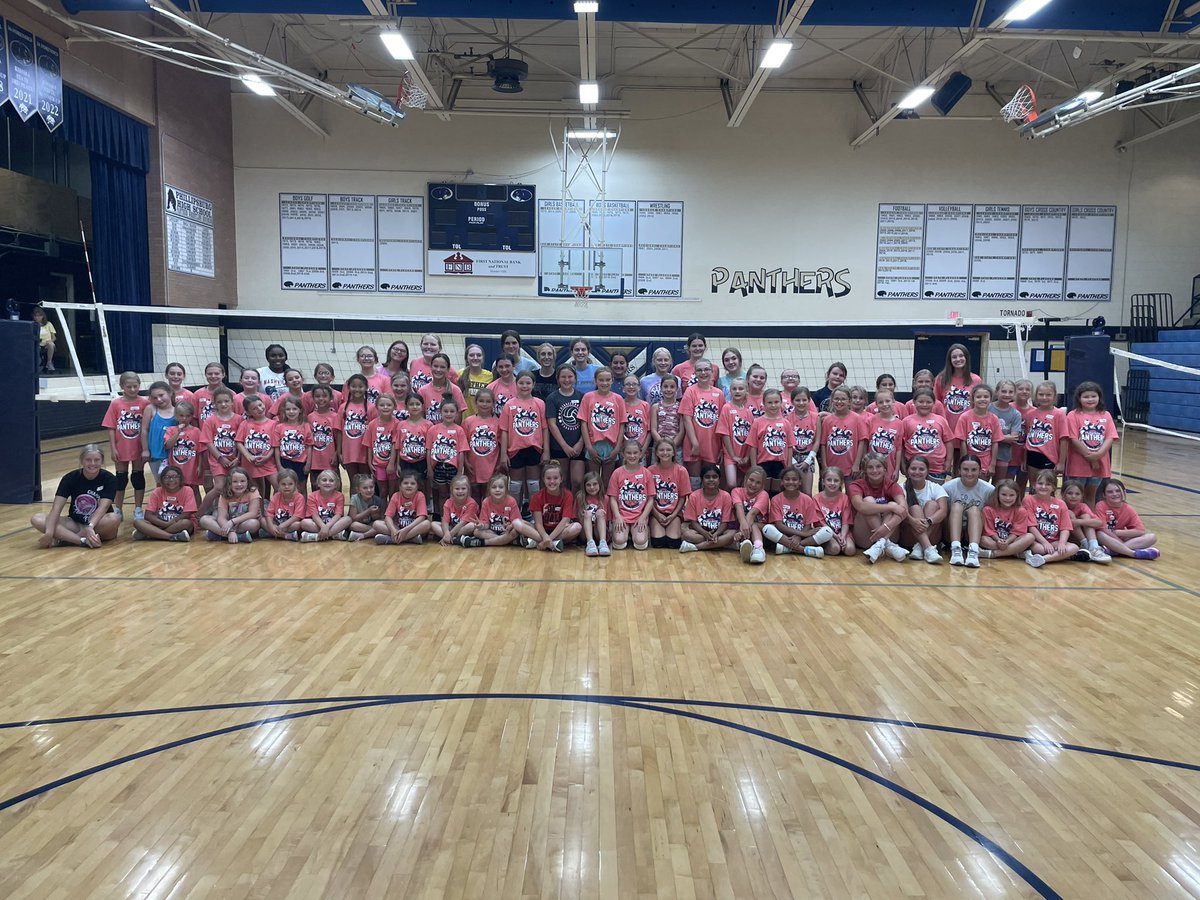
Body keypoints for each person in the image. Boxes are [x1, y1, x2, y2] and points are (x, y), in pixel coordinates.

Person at [31, 445, 120, 548]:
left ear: (102, 461)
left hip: (99, 525)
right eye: (88, 460)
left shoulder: (110, 479)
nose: (92, 463)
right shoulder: (70, 478)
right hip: (75, 524)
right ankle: (81, 541)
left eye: (97, 460)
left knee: (114, 518)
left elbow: (103, 508)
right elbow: (56, 508)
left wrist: (90, 526)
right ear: (82, 461)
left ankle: (67, 539)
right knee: (37, 519)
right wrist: (49, 533)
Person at [1064, 380, 1119, 507]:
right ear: (1079, 398)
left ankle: (1089, 524)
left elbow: (1110, 437)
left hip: (1099, 466)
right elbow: (1073, 439)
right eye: (1086, 397)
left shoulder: (1106, 415)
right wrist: (1092, 458)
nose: (1090, 399)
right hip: (1078, 465)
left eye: (1093, 396)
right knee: (1074, 497)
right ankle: (1072, 524)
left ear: (1099, 397)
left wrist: (1098, 455)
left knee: (1090, 497)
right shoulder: (1073, 415)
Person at [499, 371, 548, 513]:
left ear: (533, 385)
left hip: (535, 448)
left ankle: (534, 514)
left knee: (533, 484)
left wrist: (546, 451)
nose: (524, 386)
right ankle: (514, 514)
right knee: (515, 485)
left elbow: (545, 428)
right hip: (515, 449)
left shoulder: (539, 404)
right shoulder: (509, 405)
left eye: (528, 383)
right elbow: (504, 430)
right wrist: (503, 454)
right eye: (521, 383)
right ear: (516, 384)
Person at [102, 371, 148, 520]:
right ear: (122, 386)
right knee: (121, 479)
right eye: (129, 386)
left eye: (136, 386)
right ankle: (118, 509)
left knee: (138, 477)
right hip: (122, 447)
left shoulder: (144, 403)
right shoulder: (116, 403)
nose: (133, 389)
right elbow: (111, 427)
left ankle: (138, 509)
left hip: (139, 446)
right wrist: (113, 448)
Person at [849, 452, 909, 564]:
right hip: (866, 537)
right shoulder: (856, 485)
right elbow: (861, 507)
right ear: (864, 470)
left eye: (878, 466)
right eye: (870, 467)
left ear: (885, 469)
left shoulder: (892, 485)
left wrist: (886, 527)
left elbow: (903, 509)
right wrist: (889, 508)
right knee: (869, 501)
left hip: (889, 533)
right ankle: (885, 543)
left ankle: (881, 543)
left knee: (895, 505)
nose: (874, 470)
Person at [763, 466, 831, 557]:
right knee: (767, 528)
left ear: (800, 482)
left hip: (800, 537)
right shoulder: (776, 499)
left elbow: (808, 525)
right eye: (787, 479)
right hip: (784, 535)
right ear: (782, 482)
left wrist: (799, 537)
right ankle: (803, 550)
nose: (791, 482)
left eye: (794, 479)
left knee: (827, 531)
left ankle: (786, 547)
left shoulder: (807, 500)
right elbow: (779, 525)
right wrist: (801, 534)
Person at [944, 454, 995, 568]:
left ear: (980, 471)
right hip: (951, 533)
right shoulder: (948, 487)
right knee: (957, 506)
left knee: (974, 510)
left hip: (975, 532)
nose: (969, 473)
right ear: (959, 470)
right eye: (965, 469)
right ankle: (956, 549)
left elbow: (992, 514)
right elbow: (944, 513)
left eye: (974, 470)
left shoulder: (989, 489)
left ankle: (973, 551)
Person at [679, 359, 725, 485]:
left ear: (712, 372)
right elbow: (687, 418)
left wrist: (721, 448)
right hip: (694, 443)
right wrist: (695, 443)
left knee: (709, 479)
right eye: (699, 370)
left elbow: (722, 423)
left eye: (706, 369)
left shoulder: (719, 394)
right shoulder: (690, 391)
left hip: (712, 444)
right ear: (695, 373)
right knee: (694, 481)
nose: (703, 372)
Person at [579, 366, 627, 486]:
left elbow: (622, 424)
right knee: (593, 480)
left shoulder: (618, 399)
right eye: (601, 380)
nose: (604, 383)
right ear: (595, 381)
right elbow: (583, 423)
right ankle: (593, 504)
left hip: (611, 445)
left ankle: (605, 504)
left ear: (612, 380)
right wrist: (589, 447)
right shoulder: (588, 397)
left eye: (607, 380)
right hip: (593, 444)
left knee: (607, 481)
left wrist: (617, 448)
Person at [1023, 470, 1083, 564]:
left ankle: (1042, 559)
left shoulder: (1061, 503)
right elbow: (1031, 527)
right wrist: (1045, 543)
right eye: (1040, 483)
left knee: (1074, 548)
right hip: (1037, 541)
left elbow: (1065, 528)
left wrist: (1062, 543)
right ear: (1034, 485)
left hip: (1054, 541)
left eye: (1048, 484)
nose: (1043, 487)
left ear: (1054, 487)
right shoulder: (1028, 500)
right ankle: (1055, 556)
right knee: (1040, 549)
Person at [1094, 478, 1160, 560]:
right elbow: (1103, 529)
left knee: (1152, 537)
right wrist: (1119, 541)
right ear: (1104, 495)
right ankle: (1133, 553)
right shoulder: (1101, 505)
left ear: (1124, 492)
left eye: (1118, 491)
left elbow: (1140, 530)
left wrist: (1118, 532)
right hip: (1107, 539)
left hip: (1118, 538)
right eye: (1110, 492)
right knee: (1100, 534)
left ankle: (1115, 550)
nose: (1114, 494)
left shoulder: (1128, 509)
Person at [981, 479, 1042, 567]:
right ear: (997, 494)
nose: (1008, 498)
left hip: (1012, 541)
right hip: (995, 540)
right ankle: (1014, 552)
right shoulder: (988, 509)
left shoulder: (1021, 511)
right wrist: (998, 540)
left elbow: (1017, 532)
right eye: (1004, 494)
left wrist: (1007, 541)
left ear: (1017, 496)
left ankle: (994, 554)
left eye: (1011, 495)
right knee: (982, 539)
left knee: (1030, 537)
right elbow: (989, 530)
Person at [607, 439, 655, 551]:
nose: (632, 456)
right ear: (623, 454)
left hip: (639, 516)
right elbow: (612, 499)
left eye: (635, 453)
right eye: (629, 453)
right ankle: (625, 532)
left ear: (640, 453)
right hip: (621, 516)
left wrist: (643, 517)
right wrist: (618, 516)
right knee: (619, 543)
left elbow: (650, 499)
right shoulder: (617, 473)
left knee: (640, 543)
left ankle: (636, 532)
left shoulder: (646, 473)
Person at [199, 387, 241, 515]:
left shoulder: (239, 419)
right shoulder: (210, 420)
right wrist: (220, 458)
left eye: (226, 401)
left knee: (235, 486)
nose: (223, 404)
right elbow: (208, 442)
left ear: (232, 402)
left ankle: (228, 511)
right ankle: (199, 513)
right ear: (214, 403)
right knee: (219, 487)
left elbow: (242, 442)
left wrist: (238, 458)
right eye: (219, 402)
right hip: (217, 460)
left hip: (235, 460)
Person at [899, 455, 947, 564]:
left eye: (921, 469)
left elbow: (943, 511)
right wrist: (912, 521)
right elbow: (900, 511)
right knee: (915, 508)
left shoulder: (935, 487)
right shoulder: (901, 488)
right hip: (908, 536)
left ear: (927, 471)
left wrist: (928, 522)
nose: (917, 472)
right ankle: (928, 548)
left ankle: (921, 546)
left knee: (933, 505)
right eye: (913, 468)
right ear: (907, 470)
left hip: (932, 535)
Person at [130, 463, 196, 542]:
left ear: (181, 478)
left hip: (177, 524)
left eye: (175, 477)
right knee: (137, 522)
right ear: (162, 480)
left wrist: (169, 523)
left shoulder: (187, 490)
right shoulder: (157, 491)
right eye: (167, 477)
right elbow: (148, 515)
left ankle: (151, 534)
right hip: (159, 524)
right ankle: (171, 536)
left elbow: (186, 514)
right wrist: (164, 524)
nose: (171, 480)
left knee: (186, 523)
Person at [470, 473, 539, 548]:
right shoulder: (486, 502)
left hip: (507, 532)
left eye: (501, 487)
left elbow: (517, 522)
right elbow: (486, 524)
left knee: (515, 532)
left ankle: (486, 542)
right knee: (477, 532)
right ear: (489, 489)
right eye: (494, 487)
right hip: (492, 532)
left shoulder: (511, 501)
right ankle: (507, 541)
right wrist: (481, 526)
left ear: (506, 489)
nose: (497, 490)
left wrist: (509, 526)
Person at [426, 396, 468, 519]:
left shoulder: (459, 430)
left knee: (453, 494)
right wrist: (429, 468)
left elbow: (461, 452)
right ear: (440, 412)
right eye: (446, 411)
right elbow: (429, 450)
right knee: (442, 494)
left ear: (456, 413)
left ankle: (454, 518)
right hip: (438, 467)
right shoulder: (433, 429)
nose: (448, 414)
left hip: (453, 468)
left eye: (452, 411)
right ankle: (442, 518)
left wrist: (460, 471)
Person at [679, 463, 735, 553]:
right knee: (687, 535)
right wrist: (705, 534)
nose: (711, 480)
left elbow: (725, 523)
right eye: (707, 477)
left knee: (732, 534)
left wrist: (716, 534)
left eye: (714, 477)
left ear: (719, 480)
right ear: (702, 479)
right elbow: (693, 522)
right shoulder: (694, 496)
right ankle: (720, 544)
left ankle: (695, 547)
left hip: (719, 532)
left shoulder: (726, 496)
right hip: (701, 533)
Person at [901, 387, 953, 483]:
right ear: (914, 402)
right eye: (921, 402)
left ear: (934, 403)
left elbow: (948, 442)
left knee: (935, 495)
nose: (924, 405)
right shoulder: (906, 421)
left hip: (937, 467)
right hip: (914, 467)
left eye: (928, 402)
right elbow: (901, 445)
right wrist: (903, 464)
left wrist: (948, 461)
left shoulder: (940, 420)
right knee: (915, 494)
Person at [748, 388, 795, 494]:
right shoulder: (757, 422)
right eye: (769, 402)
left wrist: (788, 466)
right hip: (763, 463)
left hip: (780, 464)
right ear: (763, 403)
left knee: (776, 493)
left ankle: (774, 511)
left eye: (776, 402)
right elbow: (753, 446)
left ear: (781, 403)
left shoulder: (786, 423)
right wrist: (754, 466)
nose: (773, 405)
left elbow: (790, 446)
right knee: (762, 493)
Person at [198, 466, 261, 544]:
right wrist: (230, 531)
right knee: (204, 520)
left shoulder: (253, 491)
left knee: (254, 524)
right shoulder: (224, 494)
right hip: (226, 524)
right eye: (235, 481)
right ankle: (236, 536)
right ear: (229, 483)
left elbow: (253, 513)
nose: (239, 484)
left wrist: (232, 522)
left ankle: (219, 535)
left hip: (241, 523)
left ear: (247, 481)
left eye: (242, 481)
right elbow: (221, 517)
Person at [529, 460, 582, 551]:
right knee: (517, 523)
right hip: (542, 531)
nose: (552, 481)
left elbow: (565, 521)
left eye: (555, 478)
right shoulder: (537, 496)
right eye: (548, 478)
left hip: (559, 530)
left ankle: (541, 542)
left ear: (561, 479)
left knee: (577, 527)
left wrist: (548, 538)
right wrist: (545, 537)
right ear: (543, 479)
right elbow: (538, 523)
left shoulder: (568, 495)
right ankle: (554, 543)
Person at [953, 384, 1003, 480]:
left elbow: (995, 442)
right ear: (972, 399)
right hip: (970, 460)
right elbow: (962, 442)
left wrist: (992, 464)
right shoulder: (965, 417)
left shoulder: (994, 418)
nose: (982, 399)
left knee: (981, 491)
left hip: (986, 462)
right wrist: (965, 461)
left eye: (986, 397)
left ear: (991, 399)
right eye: (978, 397)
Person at [648, 439, 690, 550]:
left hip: (674, 513)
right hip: (656, 512)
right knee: (658, 542)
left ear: (674, 452)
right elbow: (648, 497)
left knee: (673, 543)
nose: (665, 453)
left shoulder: (681, 471)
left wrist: (674, 515)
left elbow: (682, 497)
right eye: (661, 450)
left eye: (668, 450)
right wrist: (656, 514)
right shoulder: (650, 471)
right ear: (656, 452)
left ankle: (676, 526)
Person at [1023, 381, 1067, 483]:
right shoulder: (1030, 414)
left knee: (1048, 487)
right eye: (1041, 394)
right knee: (1034, 487)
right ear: (1036, 396)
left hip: (1049, 457)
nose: (1044, 397)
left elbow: (1064, 439)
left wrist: (1061, 462)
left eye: (1048, 395)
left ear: (1054, 396)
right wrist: (1024, 459)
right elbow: (1027, 438)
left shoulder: (1059, 414)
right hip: (1032, 455)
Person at [462, 388, 500, 505]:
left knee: (489, 496)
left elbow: (501, 445)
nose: (484, 404)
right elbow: (463, 445)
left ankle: (487, 518)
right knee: (474, 495)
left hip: (491, 465)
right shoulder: (468, 421)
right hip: (473, 466)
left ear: (493, 404)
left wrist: (499, 463)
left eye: (488, 401)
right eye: (481, 401)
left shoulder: (498, 421)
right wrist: (465, 462)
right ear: (476, 402)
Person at [236, 395, 279, 498]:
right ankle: (260, 512)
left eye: (260, 405)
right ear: (248, 412)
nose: (259, 409)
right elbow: (238, 442)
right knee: (256, 490)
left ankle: (275, 509)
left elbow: (275, 445)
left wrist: (267, 457)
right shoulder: (245, 424)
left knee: (278, 486)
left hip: (268, 462)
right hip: (250, 463)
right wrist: (248, 456)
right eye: (254, 408)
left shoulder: (274, 424)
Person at [1060, 480, 1112, 563]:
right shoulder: (1060, 505)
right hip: (1066, 539)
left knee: (1086, 516)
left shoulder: (1082, 506)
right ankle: (1086, 545)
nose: (1073, 496)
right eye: (1070, 493)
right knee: (1069, 513)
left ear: (1082, 496)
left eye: (1077, 494)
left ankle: (1093, 546)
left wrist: (1077, 522)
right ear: (1063, 494)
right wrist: (1073, 521)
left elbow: (1099, 522)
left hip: (1083, 537)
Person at [934, 343, 982, 431]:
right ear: (950, 360)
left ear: (966, 358)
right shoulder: (941, 379)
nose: (958, 359)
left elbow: (978, 406)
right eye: (954, 357)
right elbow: (936, 404)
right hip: (947, 427)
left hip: (967, 427)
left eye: (961, 356)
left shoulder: (976, 380)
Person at [162, 400, 202, 505]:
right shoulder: (171, 430)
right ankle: (179, 510)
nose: (184, 418)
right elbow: (168, 445)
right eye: (181, 415)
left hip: (192, 467)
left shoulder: (196, 431)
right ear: (176, 416)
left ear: (192, 416)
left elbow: (200, 451)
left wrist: (200, 466)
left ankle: (198, 512)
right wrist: (177, 433)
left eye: (187, 416)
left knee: (194, 489)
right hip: (176, 467)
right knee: (177, 490)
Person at [820, 387, 865, 480]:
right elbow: (823, 444)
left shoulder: (857, 419)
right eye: (836, 399)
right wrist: (824, 464)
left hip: (851, 467)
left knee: (852, 493)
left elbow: (862, 442)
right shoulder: (827, 420)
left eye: (843, 399)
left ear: (849, 401)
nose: (839, 402)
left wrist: (857, 464)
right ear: (832, 400)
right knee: (833, 493)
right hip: (832, 467)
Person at [717, 378, 753, 490]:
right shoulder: (727, 408)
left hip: (745, 455)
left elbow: (751, 438)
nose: (737, 391)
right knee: (732, 483)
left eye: (740, 389)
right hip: (730, 455)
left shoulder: (748, 411)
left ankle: (739, 506)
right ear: (730, 391)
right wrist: (733, 456)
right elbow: (725, 434)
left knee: (743, 485)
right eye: (734, 389)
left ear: (746, 391)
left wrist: (747, 457)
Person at [376, 472, 431, 545]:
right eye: (405, 483)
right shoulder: (396, 496)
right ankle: (410, 538)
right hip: (398, 528)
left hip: (413, 528)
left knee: (427, 524)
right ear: (400, 486)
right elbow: (388, 517)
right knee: (376, 524)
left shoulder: (420, 495)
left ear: (417, 486)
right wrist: (393, 530)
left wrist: (405, 530)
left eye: (412, 483)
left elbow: (422, 517)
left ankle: (392, 540)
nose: (409, 485)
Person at [731, 465, 770, 564]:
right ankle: (745, 546)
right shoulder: (736, 491)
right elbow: (739, 509)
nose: (753, 484)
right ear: (745, 479)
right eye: (751, 480)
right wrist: (742, 528)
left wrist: (741, 532)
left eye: (758, 483)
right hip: (741, 525)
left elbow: (752, 514)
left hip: (759, 526)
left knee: (754, 524)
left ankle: (758, 548)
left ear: (763, 485)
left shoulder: (764, 495)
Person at [863, 388, 903, 483]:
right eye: (881, 402)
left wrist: (897, 469)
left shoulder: (899, 423)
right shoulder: (870, 420)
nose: (885, 404)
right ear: (876, 404)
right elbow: (865, 444)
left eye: (888, 401)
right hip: (871, 466)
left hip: (889, 466)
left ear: (893, 402)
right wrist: (863, 465)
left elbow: (898, 449)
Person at [140, 380, 177, 483]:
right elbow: (144, 430)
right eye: (155, 398)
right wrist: (145, 450)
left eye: (161, 395)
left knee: (174, 483)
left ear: (170, 393)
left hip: (172, 455)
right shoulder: (150, 409)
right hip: (155, 454)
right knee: (160, 482)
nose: (159, 399)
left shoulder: (178, 411)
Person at [300, 468, 352, 541]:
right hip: (318, 524)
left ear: (336, 484)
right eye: (324, 480)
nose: (327, 483)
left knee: (348, 519)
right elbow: (314, 515)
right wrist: (323, 527)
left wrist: (327, 527)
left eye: (331, 481)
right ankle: (334, 534)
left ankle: (318, 536)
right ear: (318, 483)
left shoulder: (339, 496)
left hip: (333, 523)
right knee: (304, 523)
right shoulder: (312, 496)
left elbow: (338, 514)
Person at [306, 385, 340, 493]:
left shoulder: (335, 416)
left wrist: (336, 454)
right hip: (315, 460)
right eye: (317, 396)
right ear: (313, 398)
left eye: (324, 396)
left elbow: (338, 437)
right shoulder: (310, 417)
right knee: (316, 487)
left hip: (330, 460)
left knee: (335, 487)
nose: (321, 399)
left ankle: (335, 509)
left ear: (331, 398)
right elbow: (308, 440)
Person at [366, 393, 401, 501]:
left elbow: (396, 445)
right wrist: (369, 461)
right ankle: (382, 515)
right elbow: (369, 445)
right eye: (382, 405)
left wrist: (392, 464)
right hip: (378, 464)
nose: (385, 407)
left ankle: (392, 515)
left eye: (389, 405)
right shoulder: (372, 424)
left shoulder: (397, 423)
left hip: (392, 464)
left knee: (392, 492)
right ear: (376, 407)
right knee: (382, 492)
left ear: (394, 407)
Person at [814, 467, 855, 557]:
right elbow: (821, 523)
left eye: (836, 480)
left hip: (842, 531)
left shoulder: (845, 498)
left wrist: (843, 536)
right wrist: (835, 536)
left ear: (841, 483)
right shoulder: (816, 499)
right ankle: (822, 546)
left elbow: (846, 521)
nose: (832, 483)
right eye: (829, 480)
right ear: (823, 481)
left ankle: (842, 541)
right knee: (835, 549)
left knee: (850, 550)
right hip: (825, 532)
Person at [990, 379, 1025, 482]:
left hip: (1004, 454)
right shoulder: (988, 408)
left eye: (1010, 392)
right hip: (985, 453)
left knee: (999, 484)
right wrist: (1004, 437)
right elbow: (982, 434)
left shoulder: (1015, 414)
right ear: (997, 392)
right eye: (1004, 391)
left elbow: (1014, 438)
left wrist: (993, 437)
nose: (1007, 394)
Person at [339, 374, 372, 481]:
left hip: (365, 452)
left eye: (360, 386)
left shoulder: (371, 407)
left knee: (366, 482)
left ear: (366, 387)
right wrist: (339, 452)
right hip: (348, 452)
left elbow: (374, 433)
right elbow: (339, 431)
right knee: (353, 482)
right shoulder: (343, 407)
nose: (357, 389)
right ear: (348, 387)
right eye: (353, 386)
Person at [788, 387, 821, 496]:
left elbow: (817, 441)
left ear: (809, 401)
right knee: (791, 491)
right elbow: (786, 442)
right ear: (792, 401)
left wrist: (808, 461)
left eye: (804, 400)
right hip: (791, 456)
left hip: (808, 457)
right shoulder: (787, 418)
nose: (801, 403)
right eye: (797, 400)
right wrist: (792, 461)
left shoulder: (816, 418)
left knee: (807, 493)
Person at [418, 354, 467, 424]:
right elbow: (421, 420)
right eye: (435, 366)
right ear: (430, 367)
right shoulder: (422, 391)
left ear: (448, 369)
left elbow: (457, 422)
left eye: (442, 367)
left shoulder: (455, 390)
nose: (438, 370)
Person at [432, 474, 479, 546]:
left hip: (463, 528)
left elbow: (463, 523)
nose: (460, 491)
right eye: (457, 489)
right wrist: (446, 533)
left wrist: (449, 535)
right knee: (433, 524)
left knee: (472, 526)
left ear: (468, 490)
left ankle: (450, 539)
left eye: (463, 489)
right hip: (452, 527)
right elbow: (445, 521)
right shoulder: (448, 502)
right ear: (452, 490)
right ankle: (457, 540)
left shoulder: (472, 503)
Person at [263, 468, 307, 541]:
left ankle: (273, 533)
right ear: (278, 484)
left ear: (295, 484)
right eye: (283, 484)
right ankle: (285, 535)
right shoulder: (276, 496)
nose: (287, 487)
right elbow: (269, 513)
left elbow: (297, 516)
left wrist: (283, 525)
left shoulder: (299, 497)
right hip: (277, 523)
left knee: (298, 525)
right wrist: (271, 526)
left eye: (290, 484)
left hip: (290, 524)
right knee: (262, 520)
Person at [649, 372, 683, 463]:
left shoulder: (681, 407)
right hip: (658, 447)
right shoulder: (655, 407)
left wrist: (671, 446)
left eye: (672, 387)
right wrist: (662, 445)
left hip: (675, 447)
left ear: (677, 389)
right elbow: (653, 429)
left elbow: (682, 431)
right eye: (665, 386)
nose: (668, 389)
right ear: (661, 388)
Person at [577, 470, 609, 557]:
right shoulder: (580, 498)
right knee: (587, 513)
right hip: (585, 533)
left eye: (595, 484)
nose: (592, 487)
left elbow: (608, 519)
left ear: (600, 485)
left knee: (600, 512)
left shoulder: (605, 498)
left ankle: (603, 543)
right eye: (588, 485)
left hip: (600, 532)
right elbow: (577, 518)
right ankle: (590, 543)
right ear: (584, 486)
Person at [345, 473, 384, 541]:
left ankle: (366, 534)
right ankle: (375, 532)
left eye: (371, 487)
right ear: (358, 489)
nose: (369, 490)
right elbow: (353, 518)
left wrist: (375, 514)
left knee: (379, 524)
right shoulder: (354, 498)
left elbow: (378, 519)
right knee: (354, 525)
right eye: (365, 488)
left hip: (371, 524)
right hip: (360, 524)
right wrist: (368, 511)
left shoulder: (377, 499)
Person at [621, 375, 651, 460]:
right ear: (623, 388)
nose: (631, 387)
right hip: (624, 451)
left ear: (639, 387)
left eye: (634, 384)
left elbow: (649, 431)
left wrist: (643, 449)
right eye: (628, 384)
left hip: (640, 450)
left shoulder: (645, 406)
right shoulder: (619, 404)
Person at [458, 344, 492, 416]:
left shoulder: (490, 376)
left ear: (483, 358)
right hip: (465, 420)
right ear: (466, 358)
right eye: (471, 355)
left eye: (479, 355)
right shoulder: (460, 374)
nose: (475, 358)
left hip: (483, 419)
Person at [32, 305, 57, 372]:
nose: (38, 317)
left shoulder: (49, 324)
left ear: (43, 316)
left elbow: (54, 337)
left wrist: (50, 341)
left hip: (47, 344)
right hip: (37, 344)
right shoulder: (33, 325)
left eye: (39, 316)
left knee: (51, 344)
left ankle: (49, 362)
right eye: (36, 316)